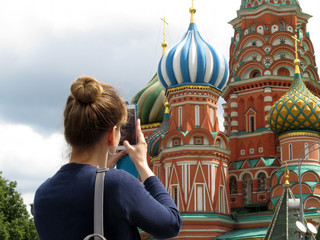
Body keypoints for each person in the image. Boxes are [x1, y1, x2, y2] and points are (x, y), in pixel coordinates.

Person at [33, 76, 181, 240]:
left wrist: (103, 173)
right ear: (112, 134)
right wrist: (142, 165)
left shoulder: (43, 193)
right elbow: (171, 224)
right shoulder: (117, 184)